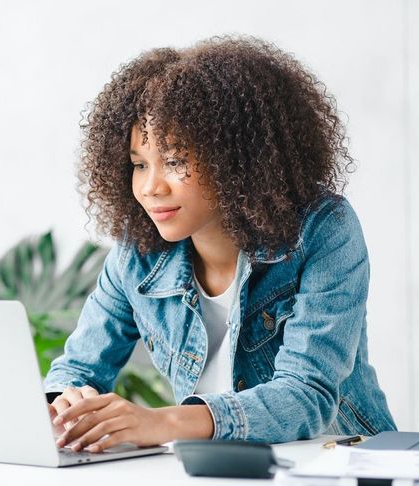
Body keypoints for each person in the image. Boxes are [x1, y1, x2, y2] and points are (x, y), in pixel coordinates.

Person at [44, 35, 396, 452]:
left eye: (175, 161)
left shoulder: (323, 229)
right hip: (217, 469)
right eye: (140, 165)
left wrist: (161, 422)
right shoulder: (137, 251)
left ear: (237, 159)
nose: (151, 187)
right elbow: (78, 368)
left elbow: (307, 395)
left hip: (340, 461)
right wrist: (66, 403)